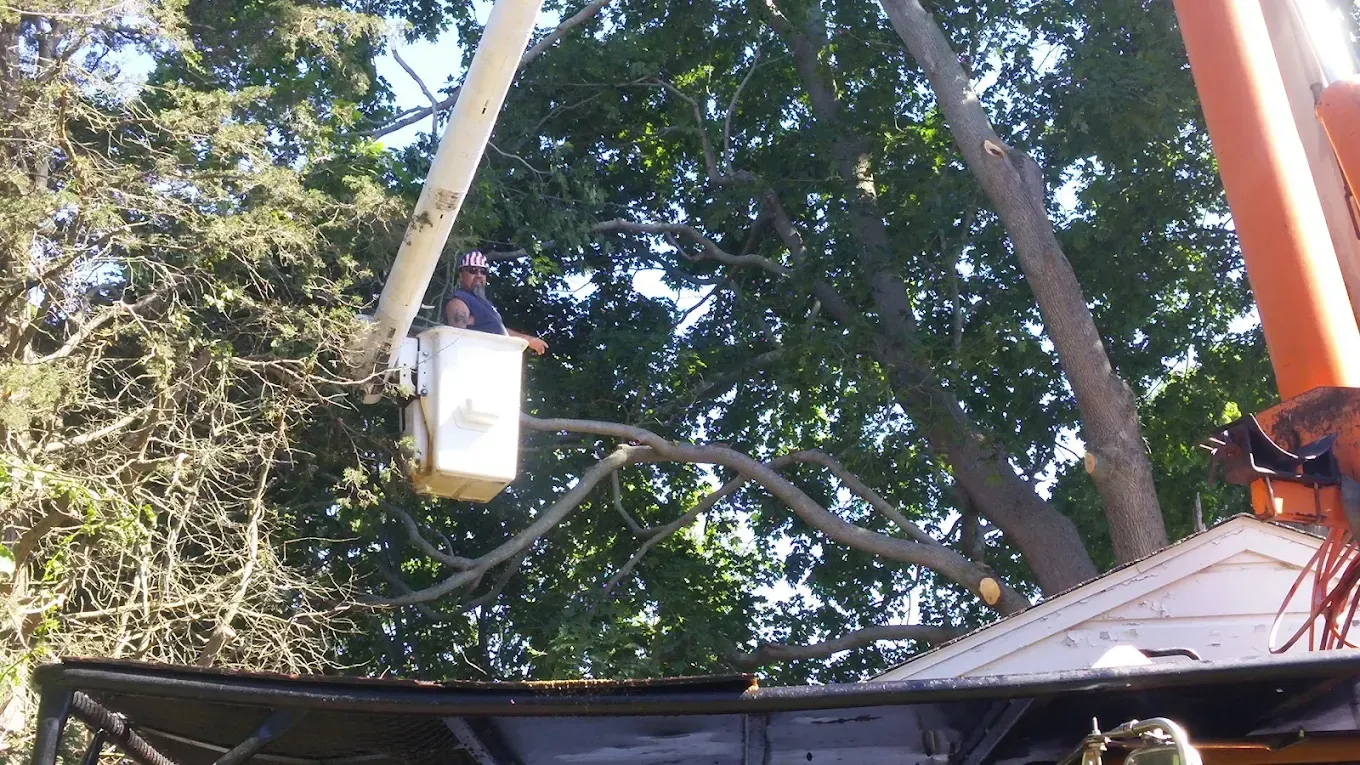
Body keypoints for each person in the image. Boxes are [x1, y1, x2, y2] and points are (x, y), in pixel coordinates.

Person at [444, 250, 548, 355]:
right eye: (473, 270)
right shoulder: (459, 300)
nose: (479, 275)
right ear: (461, 275)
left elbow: (499, 330)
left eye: (483, 271)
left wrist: (529, 340)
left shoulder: (485, 304)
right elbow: (457, 339)